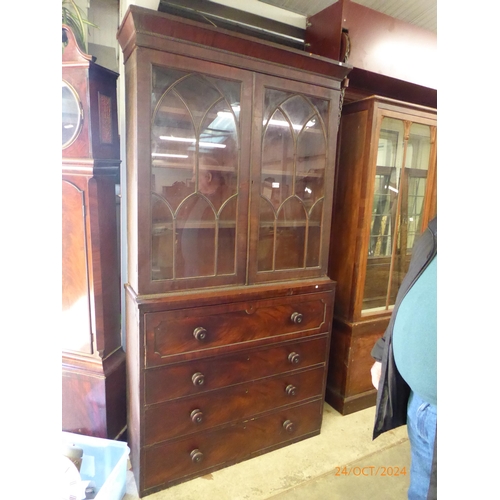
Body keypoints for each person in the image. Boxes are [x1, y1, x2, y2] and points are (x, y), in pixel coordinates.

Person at [370, 217, 437, 500]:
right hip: (419, 402)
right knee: (420, 489)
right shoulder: (442, 227)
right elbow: (408, 292)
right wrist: (384, 353)